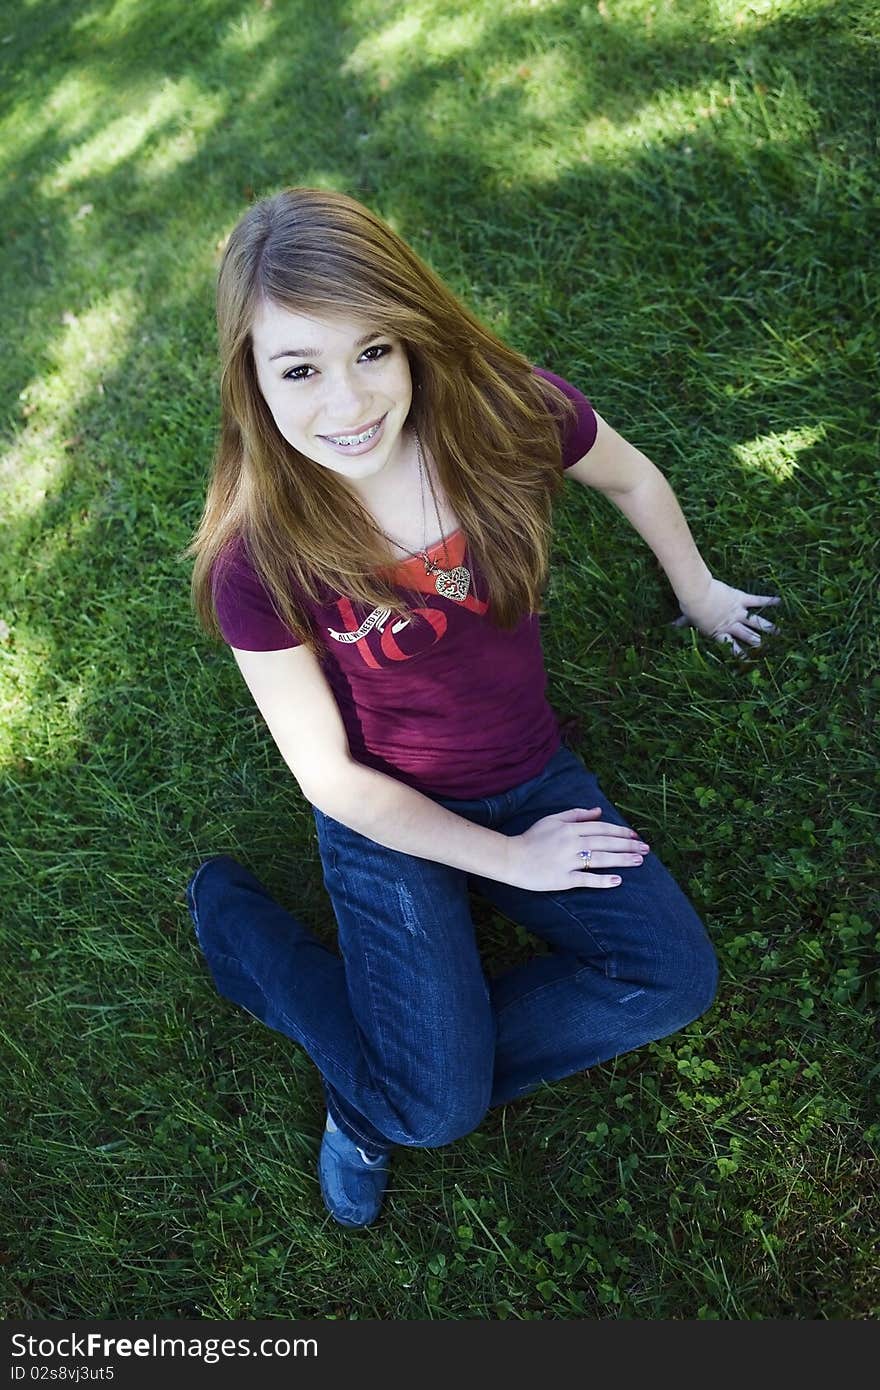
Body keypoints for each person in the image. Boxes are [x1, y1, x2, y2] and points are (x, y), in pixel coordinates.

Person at [185, 186, 781, 1229]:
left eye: (373, 351)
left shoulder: (502, 419)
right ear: (250, 383)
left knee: (672, 979)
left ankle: (394, 1076)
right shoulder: (258, 554)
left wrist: (698, 591)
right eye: (299, 369)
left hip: (529, 770)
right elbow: (331, 780)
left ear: (414, 335)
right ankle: (249, 943)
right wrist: (509, 860)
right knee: (435, 1113)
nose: (348, 403)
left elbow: (632, 478)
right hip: (388, 819)